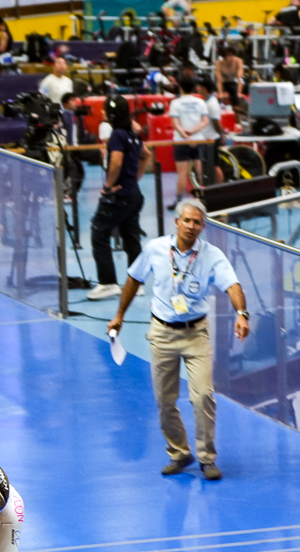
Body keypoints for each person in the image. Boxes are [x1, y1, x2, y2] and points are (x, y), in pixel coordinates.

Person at [106, 198, 253, 480]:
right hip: (161, 333)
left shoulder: (212, 255)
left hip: (196, 333)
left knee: (203, 396)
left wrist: (242, 313)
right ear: (176, 222)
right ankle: (179, 453)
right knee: (165, 400)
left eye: (197, 222)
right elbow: (133, 278)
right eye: (187, 220)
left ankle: (207, 458)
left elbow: (233, 285)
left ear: (203, 227)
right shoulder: (155, 249)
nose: (191, 226)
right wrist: (119, 315)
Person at [86, 98, 145, 301]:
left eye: (104, 110)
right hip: (134, 195)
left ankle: (107, 282)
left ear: (111, 114)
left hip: (118, 197)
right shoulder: (132, 134)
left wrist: (108, 187)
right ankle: (137, 284)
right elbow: (146, 155)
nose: (100, 113)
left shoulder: (118, 136)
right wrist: (135, 179)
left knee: (99, 231)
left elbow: (116, 162)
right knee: (131, 237)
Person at [168, 71, 220, 196]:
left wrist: (186, 136)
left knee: (182, 174)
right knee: (201, 173)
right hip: (199, 141)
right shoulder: (201, 102)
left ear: (180, 87)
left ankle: (178, 200)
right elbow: (205, 121)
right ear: (194, 88)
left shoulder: (175, 103)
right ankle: (204, 198)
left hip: (181, 142)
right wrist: (192, 132)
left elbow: (175, 124)